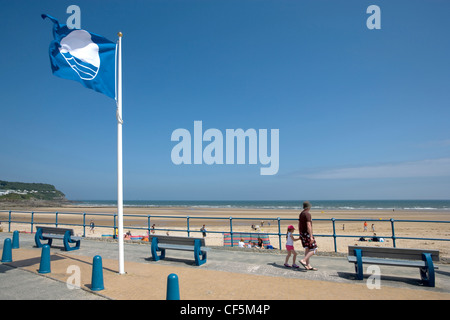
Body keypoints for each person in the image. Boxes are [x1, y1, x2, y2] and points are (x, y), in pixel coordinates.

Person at [298, 201, 318, 271]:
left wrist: (300, 233)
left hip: (303, 233)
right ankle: (303, 260)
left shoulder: (301, 213)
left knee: (307, 249)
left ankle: (308, 265)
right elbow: (308, 225)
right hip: (307, 234)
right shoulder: (307, 214)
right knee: (314, 249)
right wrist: (311, 236)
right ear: (309, 207)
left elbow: (299, 224)